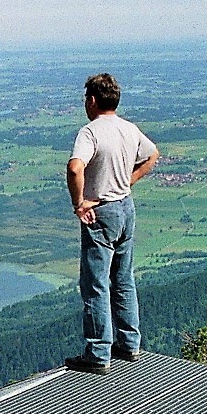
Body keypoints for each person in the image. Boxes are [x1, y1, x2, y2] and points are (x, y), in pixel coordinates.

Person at [64, 73, 160, 374]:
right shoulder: (129, 129)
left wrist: (79, 204)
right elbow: (152, 154)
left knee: (95, 284)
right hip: (125, 208)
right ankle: (130, 344)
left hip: (101, 211)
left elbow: (75, 167)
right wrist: (128, 181)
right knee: (123, 279)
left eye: (85, 99)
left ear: (92, 100)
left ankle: (98, 353)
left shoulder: (90, 133)